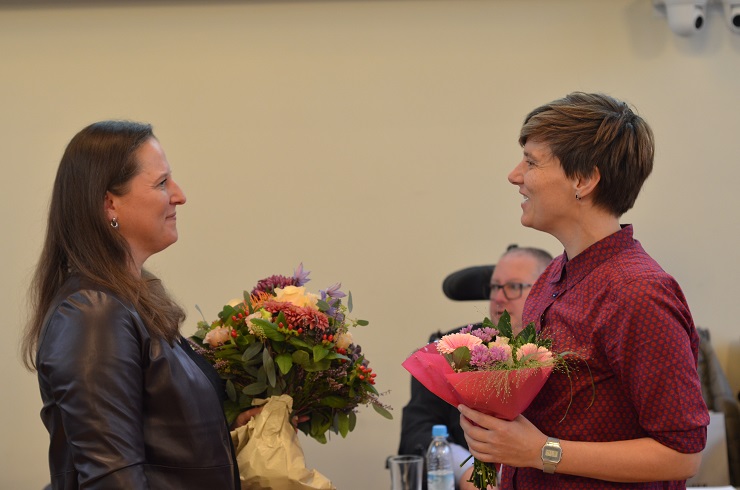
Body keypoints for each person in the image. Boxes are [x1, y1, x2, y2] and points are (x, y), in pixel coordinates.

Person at [458, 92, 710, 489]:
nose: (514, 175)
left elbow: (683, 453)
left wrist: (540, 452)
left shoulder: (638, 293)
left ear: (584, 179)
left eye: (531, 162)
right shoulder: (554, 275)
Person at [21, 121, 258, 489]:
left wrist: (233, 426)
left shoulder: (127, 297)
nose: (179, 195)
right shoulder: (93, 313)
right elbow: (112, 479)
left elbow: (158, 438)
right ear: (109, 203)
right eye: (161, 183)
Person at [399, 246, 552, 490]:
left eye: (513, 287)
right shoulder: (456, 348)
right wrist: (465, 470)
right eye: (494, 287)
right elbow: (416, 432)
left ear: (545, 291)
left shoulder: (563, 355)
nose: (498, 297)